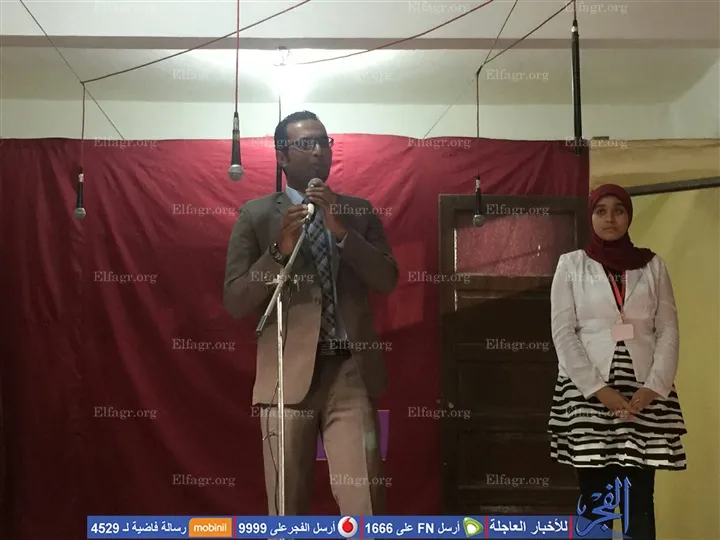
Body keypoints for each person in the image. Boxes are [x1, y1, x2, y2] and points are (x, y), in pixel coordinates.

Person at [223, 110, 398, 516]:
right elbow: (235, 300)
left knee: (365, 503)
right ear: (282, 156)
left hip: (352, 374)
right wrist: (278, 252)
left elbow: (387, 279)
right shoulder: (256, 215)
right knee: (286, 507)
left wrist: (343, 233)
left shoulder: (358, 211)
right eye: (306, 144)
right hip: (285, 378)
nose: (319, 151)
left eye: (324, 142)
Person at [547, 183, 686, 539]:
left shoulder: (653, 265)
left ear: (629, 216)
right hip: (587, 395)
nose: (610, 218)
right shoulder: (571, 265)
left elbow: (668, 330)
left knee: (639, 501)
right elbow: (563, 333)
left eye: (618, 210)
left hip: (643, 395)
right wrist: (599, 390)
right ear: (591, 216)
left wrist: (654, 387)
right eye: (601, 211)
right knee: (596, 501)